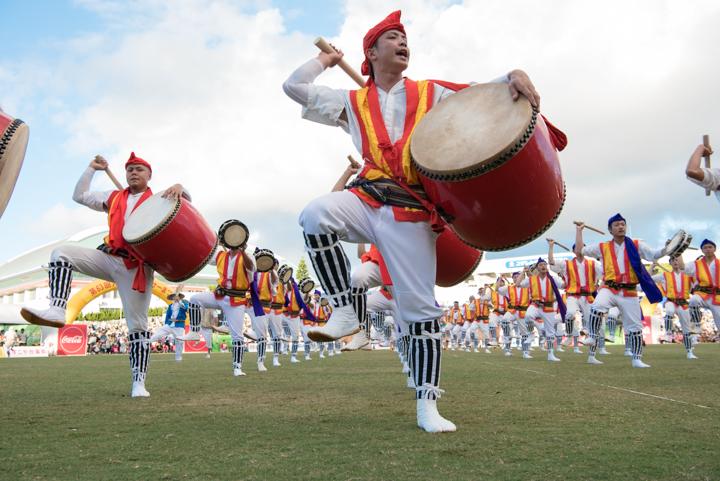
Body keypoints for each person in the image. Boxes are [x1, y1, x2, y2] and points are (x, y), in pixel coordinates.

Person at [283, 10, 540, 432]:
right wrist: (325, 62)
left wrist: (513, 73)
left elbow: (480, 93)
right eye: (393, 37)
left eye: (405, 38)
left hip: (411, 210)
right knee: (315, 214)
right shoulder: (351, 101)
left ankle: (427, 405)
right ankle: (346, 310)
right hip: (366, 198)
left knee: (419, 310)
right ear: (372, 52)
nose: (404, 43)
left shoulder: (429, 92)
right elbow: (294, 87)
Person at [21, 153, 187, 397]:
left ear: (149, 175)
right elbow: (79, 196)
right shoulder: (114, 197)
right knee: (61, 254)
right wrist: (91, 169)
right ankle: (57, 309)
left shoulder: (159, 198)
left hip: (136, 267)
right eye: (129, 169)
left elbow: (186, 204)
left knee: (138, 327)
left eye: (139, 169)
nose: (133, 172)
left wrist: (181, 187)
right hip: (109, 257)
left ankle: (138, 382)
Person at [576, 214, 666, 367]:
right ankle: (592, 336)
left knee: (635, 328)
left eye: (623, 224)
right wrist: (579, 231)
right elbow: (580, 251)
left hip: (629, 291)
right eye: (617, 225)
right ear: (610, 230)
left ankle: (637, 359)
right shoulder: (602, 246)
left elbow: (654, 255)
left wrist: (667, 249)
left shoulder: (637, 244)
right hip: (609, 288)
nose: (621, 227)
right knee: (597, 306)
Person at [186, 226, 256, 376]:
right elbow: (205, 252)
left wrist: (243, 251)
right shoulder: (221, 255)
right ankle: (194, 331)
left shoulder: (248, 256)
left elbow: (252, 268)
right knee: (194, 299)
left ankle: (237, 367)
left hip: (236, 299)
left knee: (237, 336)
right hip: (219, 295)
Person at [548, 239, 602, 354]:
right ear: (573, 251)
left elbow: (605, 273)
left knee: (591, 321)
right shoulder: (566, 264)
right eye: (577, 247)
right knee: (570, 313)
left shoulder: (593, 264)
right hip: (573, 295)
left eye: (582, 247)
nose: (580, 249)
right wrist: (551, 247)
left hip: (588, 296)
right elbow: (552, 262)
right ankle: (569, 336)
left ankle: (592, 354)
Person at [518, 259, 565, 362]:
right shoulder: (531, 279)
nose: (543, 266)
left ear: (547, 266)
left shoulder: (553, 278)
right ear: (537, 268)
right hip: (535, 305)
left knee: (550, 332)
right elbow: (518, 284)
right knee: (528, 316)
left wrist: (565, 274)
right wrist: (523, 271)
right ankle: (531, 334)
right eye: (540, 265)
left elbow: (564, 286)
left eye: (544, 264)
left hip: (548, 307)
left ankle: (550, 354)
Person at [652, 256, 698, 359]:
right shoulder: (664, 275)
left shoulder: (688, 275)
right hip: (671, 301)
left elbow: (698, 281)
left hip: (683, 303)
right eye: (673, 260)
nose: (675, 262)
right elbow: (649, 278)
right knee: (669, 310)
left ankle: (689, 352)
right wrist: (652, 266)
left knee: (686, 329)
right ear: (670, 263)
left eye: (677, 260)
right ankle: (668, 333)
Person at [683, 239, 720, 339]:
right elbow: (682, 267)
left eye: (710, 247)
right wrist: (678, 251)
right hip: (702, 294)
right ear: (702, 250)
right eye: (705, 248)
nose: (708, 249)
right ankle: (697, 324)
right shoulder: (695, 264)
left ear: (715, 249)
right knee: (693, 300)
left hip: (717, 297)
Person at [150, 293, 189, 362]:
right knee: (159, 333)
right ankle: (146, 343)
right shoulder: (170, 306)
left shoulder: (184, 302)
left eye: (176, 296)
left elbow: (186, 308)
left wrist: (180, 302)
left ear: (179, 297)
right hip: (170, 324)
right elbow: (167, 316)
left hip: (179, 325)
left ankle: (178, 359)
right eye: (173, 297)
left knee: (179, 342)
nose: (174, 298)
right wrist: (166, 324)